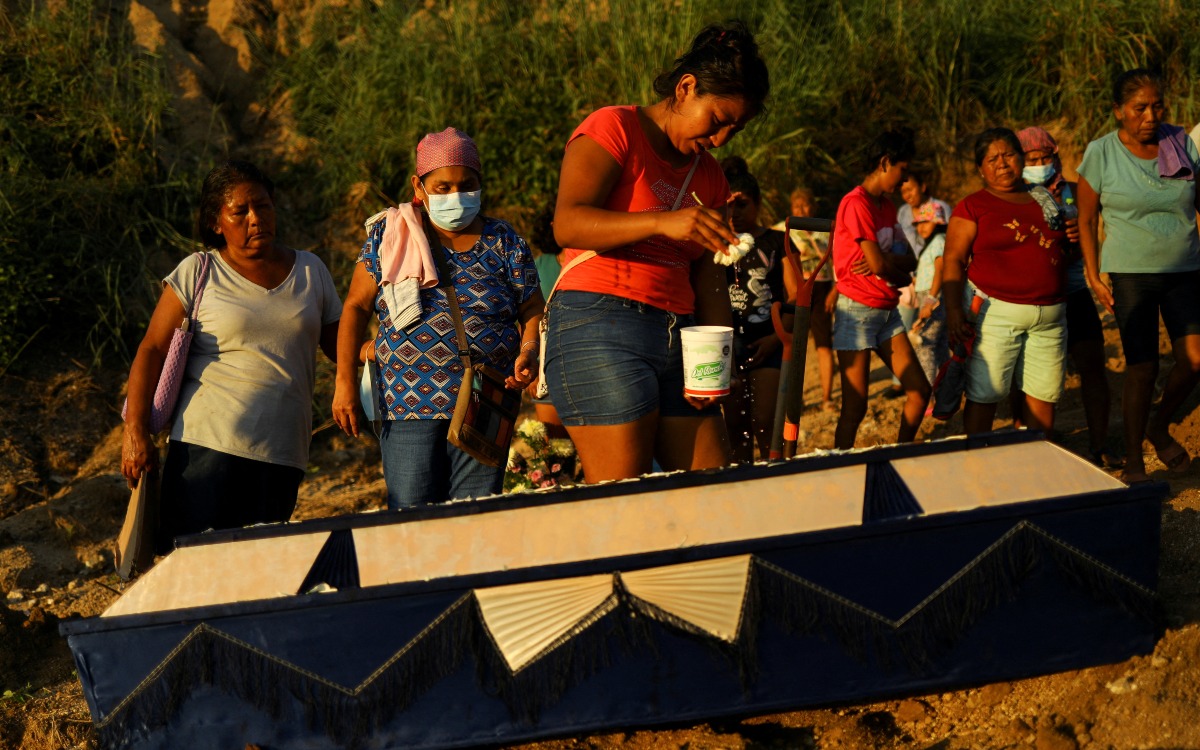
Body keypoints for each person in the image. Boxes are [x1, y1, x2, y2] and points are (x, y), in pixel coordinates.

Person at [546, 21, 769, 482]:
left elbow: (709, 280)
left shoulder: (710, 177)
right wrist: (662, 220)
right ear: (686, 89)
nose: (723, 138)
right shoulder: (615, 127)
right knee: (624, 498)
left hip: (680, 337)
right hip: (599, 324)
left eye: (737, 128)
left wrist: (716, 367)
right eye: (719, 119)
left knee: (714, 490)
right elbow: (567, 223)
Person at [121, 161, 342, 553]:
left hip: (283, 454)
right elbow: (152, 349)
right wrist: (135, 430)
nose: (256, 218)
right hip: (205, 451)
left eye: (264, 206)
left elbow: (340, 347)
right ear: (216, 221)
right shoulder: (199, 271)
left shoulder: (312, 271)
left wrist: (384, 345)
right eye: (241, 211)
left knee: (253, 575)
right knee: (192, 568)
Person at [332, 128, 543, 507]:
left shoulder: (503, 239)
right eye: (443, 187)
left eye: (467, 185)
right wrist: (344, 381)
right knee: (411, 513)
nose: (456, 196)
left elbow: (531, 306)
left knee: (475, 514)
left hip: (486, 400)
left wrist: (529, 351)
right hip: (409, 403)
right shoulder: (390, 235)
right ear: (419, 185)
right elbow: (356, 306)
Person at [1077, 69, 1200, 482]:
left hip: (1185, 268)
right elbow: (1088, 216)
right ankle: (1133, 459)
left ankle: (1158, 425)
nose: (1150, 115)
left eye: (1157, 105)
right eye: (1139, 107)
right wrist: (1093, 273)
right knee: (1142, 367)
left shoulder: (1180, 143)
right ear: (1118, 111)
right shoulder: (1101, 152)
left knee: (1195, 360)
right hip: (1131, 273)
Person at [943, 128, 1070, 436]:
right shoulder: (973, 206)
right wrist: (954, 312)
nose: (1002, 163)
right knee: (985, 394)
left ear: (1021, 159)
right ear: (980, 169)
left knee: (1044, 395)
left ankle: (1036, 467)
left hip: (1051, 317)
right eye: (992, 158)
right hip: (996, 316)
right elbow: (954, 261)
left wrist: (1072, 237)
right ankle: (975, 466)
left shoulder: (1045, 199)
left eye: (1009, 154)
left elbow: (1061, 248)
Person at [1014, 126, 1115, 466]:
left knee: (1092, 368)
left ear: (1056, 156)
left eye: (1046, 157)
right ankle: (1031, 442)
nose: (1041, 164)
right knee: (1030, 376)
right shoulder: (1014, 195)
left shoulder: (1072, 191)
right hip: (1033, 298)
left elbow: (1090, 234)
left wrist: (1077, 236)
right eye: (1032, 159)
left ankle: (1100, 445)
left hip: (1073, 292)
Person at [831, 128, 930, 449]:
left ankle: (901, 454)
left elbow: (910, 260)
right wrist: (895, 271)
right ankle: (838, 467)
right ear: (886, 163)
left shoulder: (886, 207)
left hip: (887, 312)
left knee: (919, 390)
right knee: (855, 407)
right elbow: (882, 267)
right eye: (902, 171)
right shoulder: (855, 203)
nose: (903, 181)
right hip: (856, 312)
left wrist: (887, 261)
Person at [721, 156, 788, 461]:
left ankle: (779, 483)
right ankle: (744, 490)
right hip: (728, 350)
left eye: (742, 205)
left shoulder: (777, 241)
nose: (734, 214)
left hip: (770, 343)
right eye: (728, 206)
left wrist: (777, 338)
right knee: (735, 428)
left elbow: (800, 299)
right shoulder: (716, 249)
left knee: (766, 424)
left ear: (759, 203)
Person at [778, 187, 837, 411]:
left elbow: (838, 262)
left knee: (824, 344)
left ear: (813, 206)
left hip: (822, 289)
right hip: (796, 290)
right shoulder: (784, 230)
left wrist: (836, 290)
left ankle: (826, 398)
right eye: (796, 206)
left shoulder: (826, 231)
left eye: (805, 205)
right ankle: (793, 399)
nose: (801, 210)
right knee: (791, 344)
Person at [910, 200, 949, 389]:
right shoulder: (933, 244)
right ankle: (945, 393)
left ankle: (928, 397)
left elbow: (940, 270)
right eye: (919, 223)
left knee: (924, 345)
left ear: (938, 223)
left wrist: (929, 301)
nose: (921, 227)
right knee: (939, 347)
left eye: (926, 222)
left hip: (933, 299)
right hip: (930, 297)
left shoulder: (939, 242)